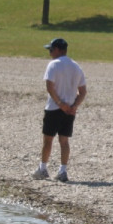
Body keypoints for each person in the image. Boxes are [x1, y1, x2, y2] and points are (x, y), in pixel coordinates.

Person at [32, 38, 87, 183]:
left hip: (54, 108)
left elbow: (50, 87)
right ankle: (62, 171)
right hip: (69, 110)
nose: (50, 53)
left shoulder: (53, 65)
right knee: (64, 140)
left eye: (51, 50)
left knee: (48, 139)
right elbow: (82, 91)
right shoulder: (76, 66)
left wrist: (60, 103)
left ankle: (43, 168)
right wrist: (74, 106)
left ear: (58, 49)